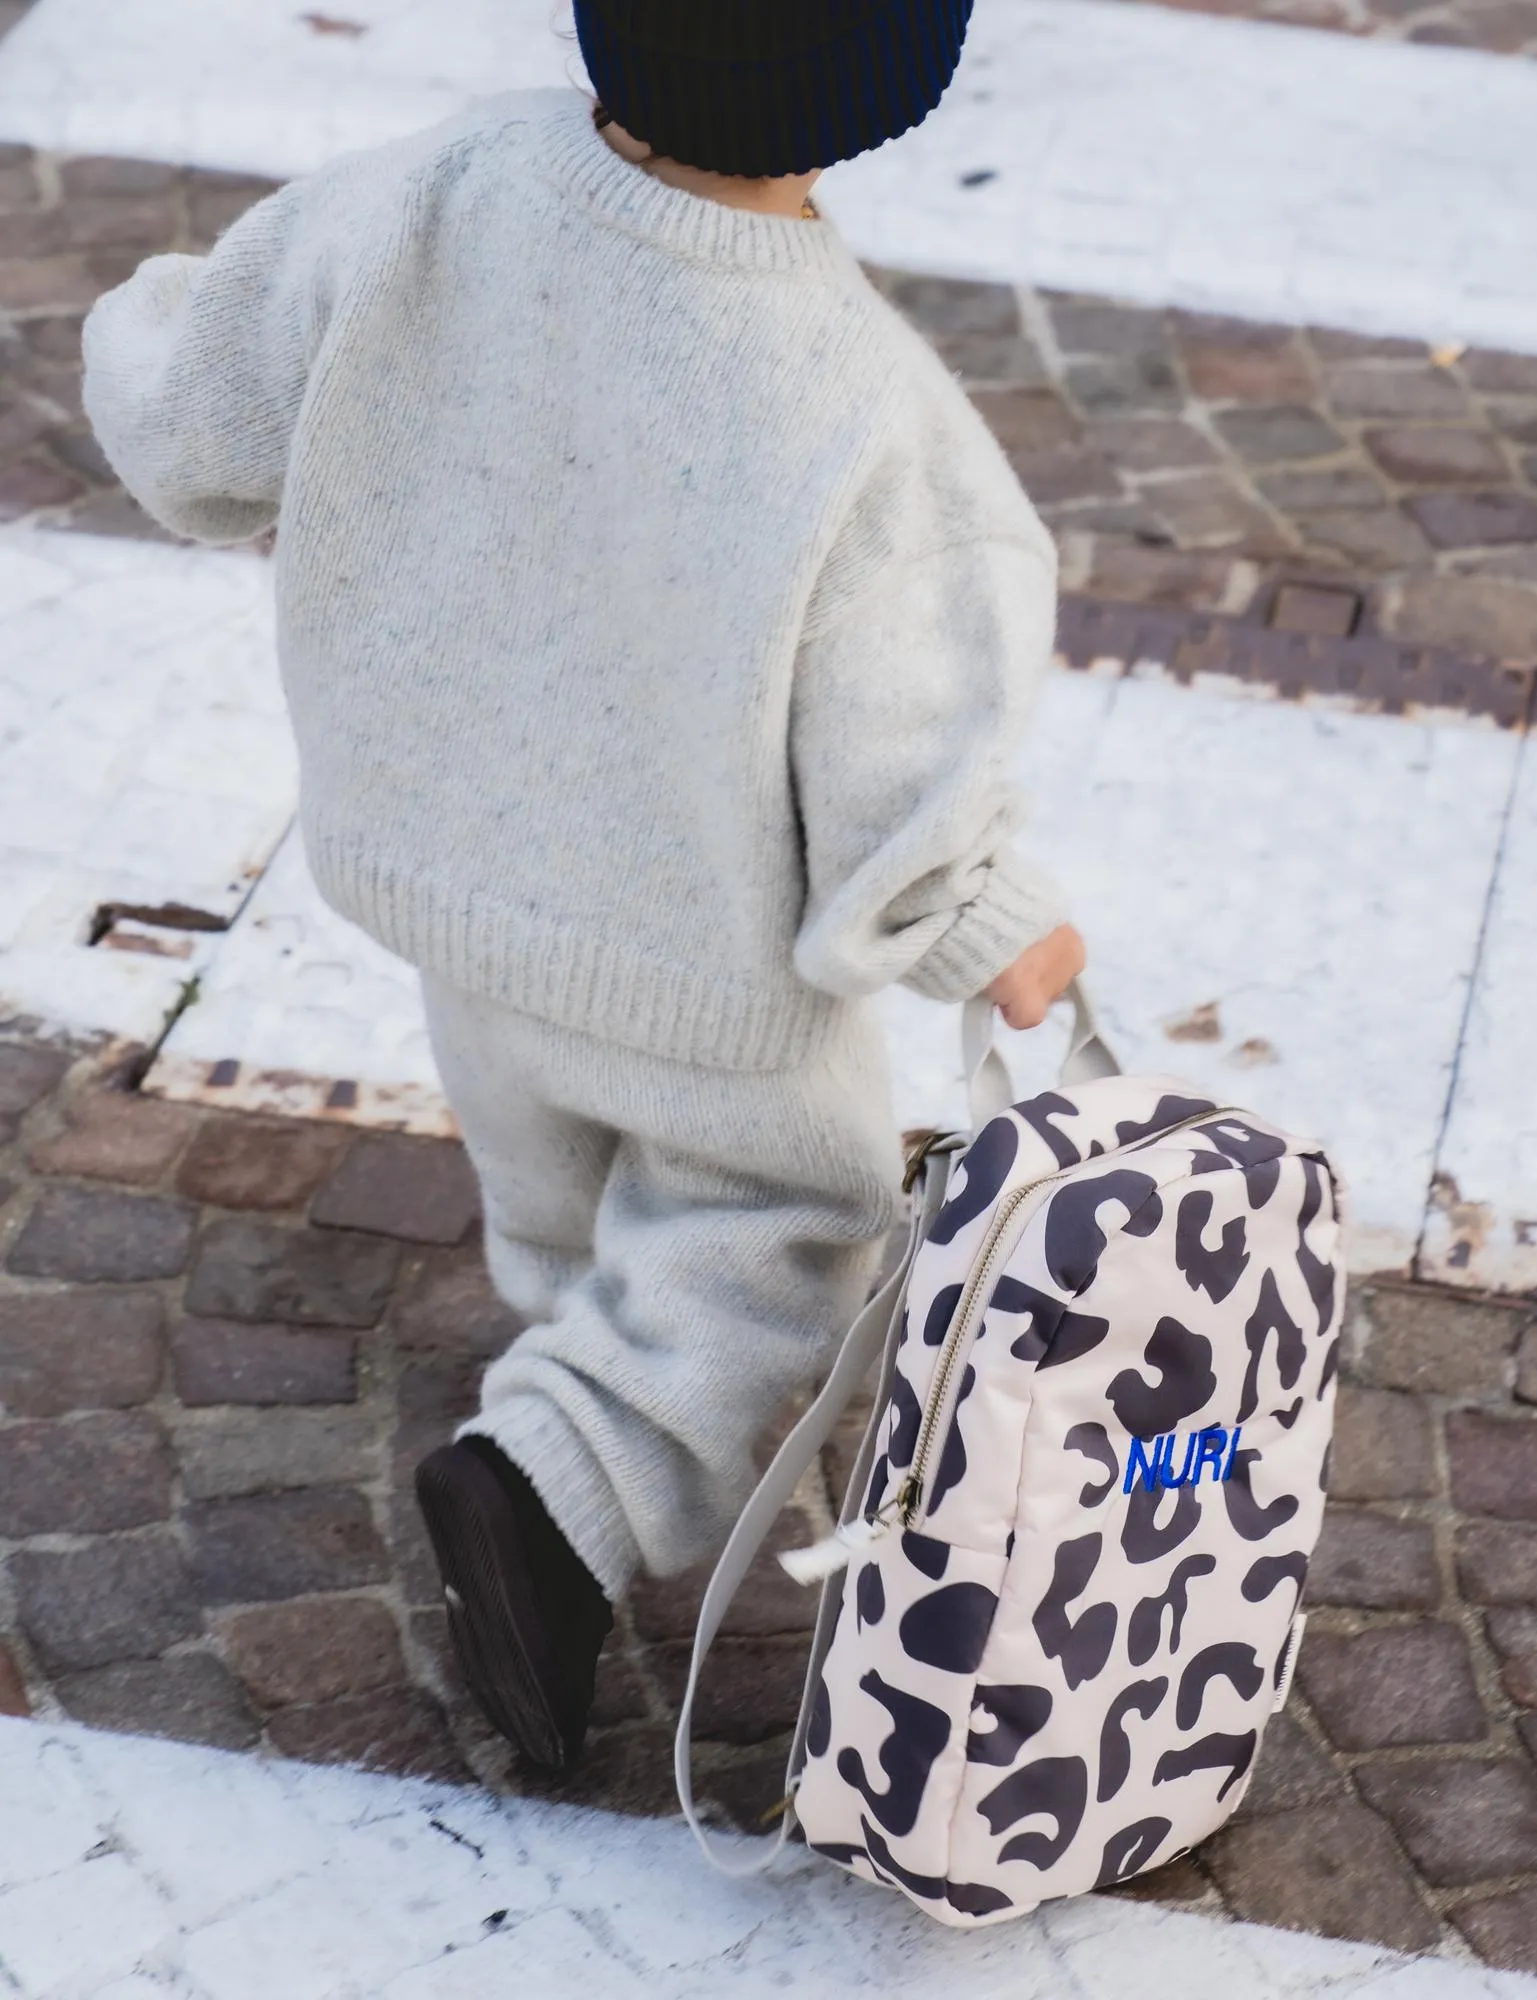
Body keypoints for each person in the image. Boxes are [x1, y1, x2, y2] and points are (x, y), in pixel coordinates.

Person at [82, 0, 1084, 1775]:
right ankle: (547, 1494)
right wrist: (996, 929)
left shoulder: (429, 190)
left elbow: (195, 420)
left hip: (450, 874)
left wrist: (140, 336)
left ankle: (562, 1362)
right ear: (898, 86)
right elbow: (900, 762)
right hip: (701, 962)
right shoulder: (862, 408)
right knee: (780, 1214)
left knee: (548, 1169)